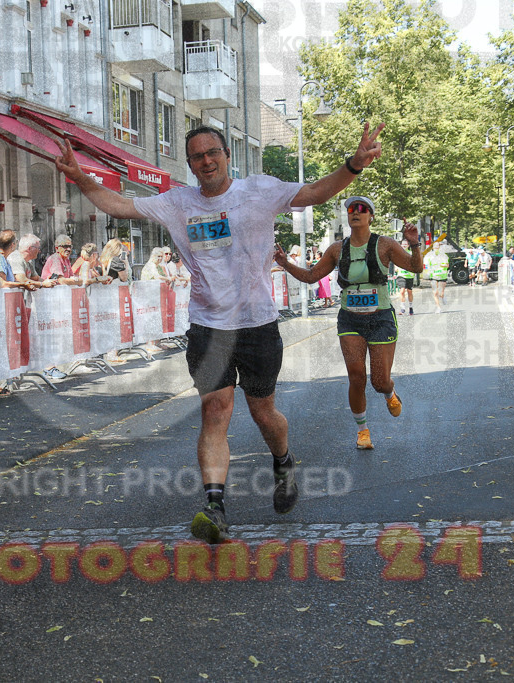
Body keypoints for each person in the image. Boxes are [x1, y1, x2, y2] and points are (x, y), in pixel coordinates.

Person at [55, 121, 385, 544]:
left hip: (258, 325)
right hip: (209, 327)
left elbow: (316, 192)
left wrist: (354, 164)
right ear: (190, 164)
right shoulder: (178, 203)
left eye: (213, 152)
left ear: (227, 155)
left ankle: (283, 461)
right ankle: (215, 507)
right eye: (197, 156)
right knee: (215, 411)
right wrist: (82, 177)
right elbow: (119, 206)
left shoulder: (259, 192)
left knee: (264, 413)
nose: (206, 161)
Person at [277, 198, 421, 452]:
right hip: (350, 319)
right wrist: (285, 263)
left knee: (379, 381)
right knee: (356, 377)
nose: (355, 213)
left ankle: (389, 393)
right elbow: (311, 277)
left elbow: (415, 266)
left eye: (361, 209)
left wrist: (415, 244)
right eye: (351, 209)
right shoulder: (336, 249)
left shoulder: (384, 244)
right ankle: (362, 431)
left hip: (380, 319)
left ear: (371, 216)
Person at [424, 241, 449, 313]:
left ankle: (443, 296)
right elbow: (425, 265)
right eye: (435, 247)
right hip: (433, 275)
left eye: (437, 247)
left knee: (441, 293)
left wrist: (441, 265)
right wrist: (427, 272)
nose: (436, 248)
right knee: (435, 292)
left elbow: (447, 265)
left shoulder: (444, 255)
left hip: (442, 275)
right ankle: (438, 307)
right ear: (433, 248)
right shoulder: (429, 255)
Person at [396, 240, 416, 315]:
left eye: (405, 244)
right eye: (403, 244)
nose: (404, 245)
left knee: (409, 291)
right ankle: (402, 308)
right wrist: (396, 267)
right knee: (402, 291)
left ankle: (411, 307)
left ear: (408, 245)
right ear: (400, 245)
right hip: (401, 275)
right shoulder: (398, 253)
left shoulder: (411, 254)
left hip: (410, 275)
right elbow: (395, 261)